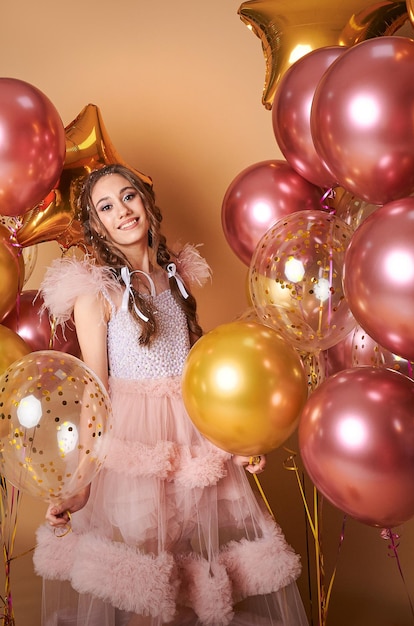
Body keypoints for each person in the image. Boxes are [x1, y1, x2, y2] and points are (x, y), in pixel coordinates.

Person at [33, 164, 310, 626]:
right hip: (134, 444)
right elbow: (94, 393)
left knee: (191, 578)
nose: (122, 211)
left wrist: (233, 445)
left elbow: (197, 378)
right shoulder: (98, 292)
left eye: (128, 197)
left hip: (189, 435)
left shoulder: (175, 277)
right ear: (97, 226)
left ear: (145, 201)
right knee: (147, 583)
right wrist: (79, 484)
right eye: (106, 207)